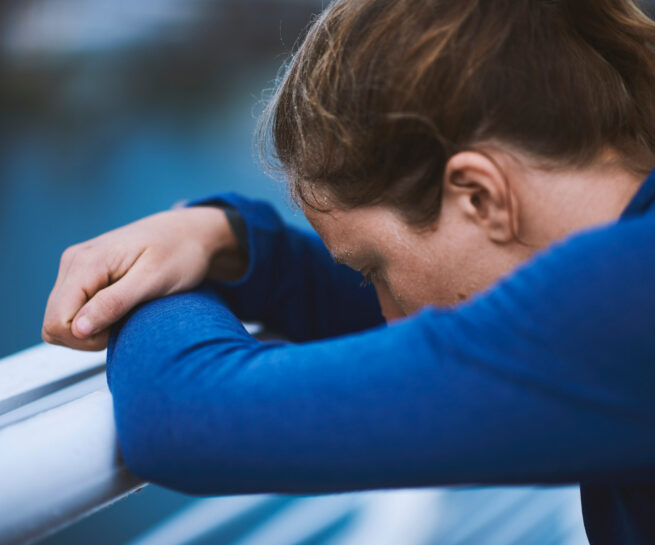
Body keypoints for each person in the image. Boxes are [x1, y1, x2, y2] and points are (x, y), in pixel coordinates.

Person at [42, 0, 655, 543]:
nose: (386, 317)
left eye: (375, 268)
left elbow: (179, 420)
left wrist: (146, 295)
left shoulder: (627, 300)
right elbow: (427, 331)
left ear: (479, 196)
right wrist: (223, 237)